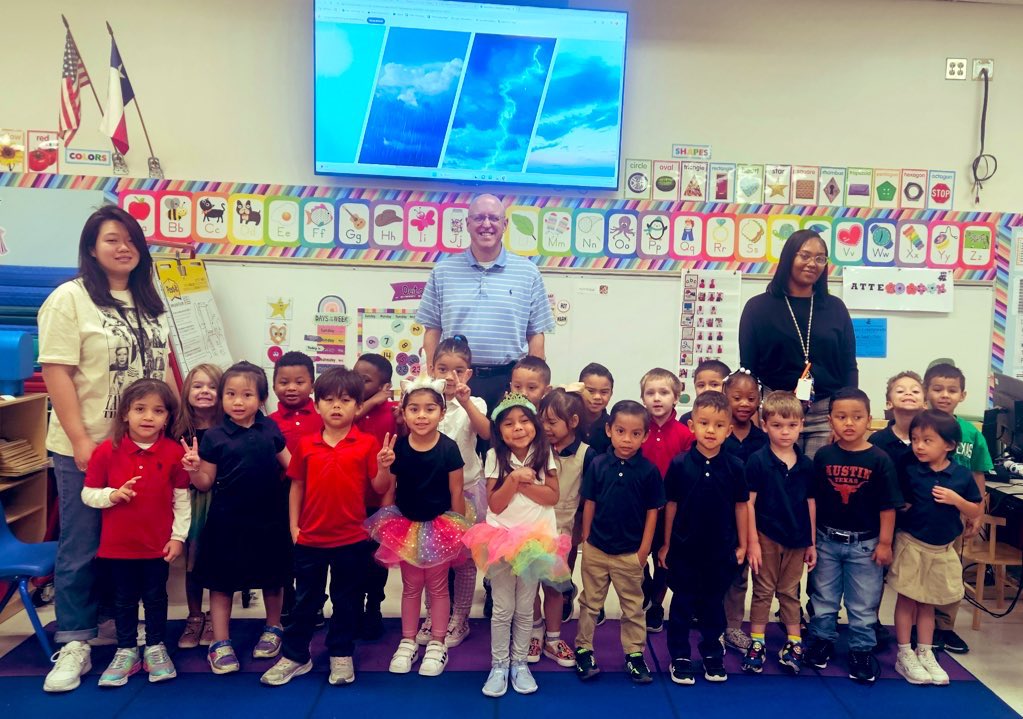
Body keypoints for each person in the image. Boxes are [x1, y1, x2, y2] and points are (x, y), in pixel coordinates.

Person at [39, 205, 172, 693]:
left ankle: (127, 631)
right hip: (91, 447)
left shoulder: (148, 302)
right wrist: (79, 440)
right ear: (91, 248)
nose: (123, 247)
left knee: (137, 541)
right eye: (112, 239)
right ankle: (74, 639)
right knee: (83, 541)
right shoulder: (68, 299)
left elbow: (163, 374)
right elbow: (57, 371)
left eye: (131, 240)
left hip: (147, 447)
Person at [260, 368, 384, 687]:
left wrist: (387, 467)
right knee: (305, 602)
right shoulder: (307, 444)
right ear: (317, 406)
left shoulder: (367, 443)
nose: (336, 406)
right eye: (328, 400)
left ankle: (340, 654)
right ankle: (296, 656)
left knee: (346, 602)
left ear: (358, 406)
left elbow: (380, 486)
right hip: (310, 540)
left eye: (345, 400)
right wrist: (293, 528)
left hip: (352, 539)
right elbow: (296, 487)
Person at [181, 361, 293, 675]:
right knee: (221, 583)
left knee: (273, 578)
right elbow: (204, 482)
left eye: (246, 395)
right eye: (230, 394)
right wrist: (192, 469)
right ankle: (220, 641)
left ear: (261, 399)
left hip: (270, 519)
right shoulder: (214, 436)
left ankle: (274, 628)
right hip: (226, 522)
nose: (238, 401)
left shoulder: (270, 428)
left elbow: (292, 466)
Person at [80, 379, 189, 687]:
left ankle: (156, 647)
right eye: (140, 409)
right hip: (117, 548)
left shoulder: (172, 453)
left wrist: (178, 537)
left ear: (167, 417)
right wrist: (111, 496)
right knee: (123, 600)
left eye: (157, 411)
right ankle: (126, 650)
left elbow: (182, 500)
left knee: (156, 598)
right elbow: (88, 494)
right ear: (125, 413)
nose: (148, 417)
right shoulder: (106, 451)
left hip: (157, 547)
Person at [462, 394, 569, 697]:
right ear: (499, 430)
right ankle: (499, 664)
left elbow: (552, 497)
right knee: (502, 608)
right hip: (501, 541)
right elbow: (495, 503)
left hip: (536, 542)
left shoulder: (544, 454)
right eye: (508, 423)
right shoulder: (496, 456)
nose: (518, 428)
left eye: (524, 421)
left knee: (525, 607)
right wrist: (513, 480)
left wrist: (525, 483)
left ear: (535, 424)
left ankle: (519, 663)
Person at [364, 374, 468, 678]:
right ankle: (408, 640)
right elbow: (385, 489)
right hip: (405, 526)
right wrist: (384, 466)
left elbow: (456, 492)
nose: (421, 415)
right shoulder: (399, 448)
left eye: (429, 409)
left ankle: (437, 642)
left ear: (442, 412)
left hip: (440, 526)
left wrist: (459, 532)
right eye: (414, 409)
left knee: (437, 587)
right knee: (411, 587)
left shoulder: (449, 448)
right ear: (404, 412)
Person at [417, 193, 555, 414]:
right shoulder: (443, 271)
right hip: (457, 379)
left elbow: (535, 334)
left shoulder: (528, 272)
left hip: (509, 383)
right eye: (479, 218)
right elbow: (432, 330)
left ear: (505, 224)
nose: (487, 224)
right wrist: (434, 378)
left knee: (505, 446)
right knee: (457, 445)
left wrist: (533, 383)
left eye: (494, 218)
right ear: (467, 224)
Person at [803, 388, 902, 683]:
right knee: (824, 597)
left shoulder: (880, 459)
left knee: (863, 602)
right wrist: (812, 540)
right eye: (841, 417)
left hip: (866, 544)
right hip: (827, 540)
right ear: (830, 420)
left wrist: (885, 543)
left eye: (856, 417)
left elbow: (888, 506)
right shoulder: (823, 455)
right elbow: (814, 500)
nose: (849, 423)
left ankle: (861, 649)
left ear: (869, 421)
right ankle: (822, 640)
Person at [739, 229, 857, 458]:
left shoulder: (835, 308)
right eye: (805, 255)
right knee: (778, 482)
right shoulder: (758, 307)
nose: (812, 263)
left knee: (816, 484)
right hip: (775, 410)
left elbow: (849, 366)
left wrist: (843, 416)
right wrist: (755, 412)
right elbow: (748, 368)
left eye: (820, 258)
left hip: (825, 411)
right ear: (788, 258)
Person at [660, 391, 748, 685]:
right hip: (685, 549)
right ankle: (680, 655)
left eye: (719, 425)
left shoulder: (736, 466)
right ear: (692, 425)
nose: (711, 430)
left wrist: (743, 544)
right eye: (704, 423)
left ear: (729, 430)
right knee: (683, 604)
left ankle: (712, 652)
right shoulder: (680, 464)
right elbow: (671, 505)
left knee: (713, 606)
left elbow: (741, 506)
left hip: (720, 551)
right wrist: (667, 543)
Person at [889, 410, 983, 686]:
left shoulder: (961, 475)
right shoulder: (910, 470)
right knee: (907, 598)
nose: (919, 445)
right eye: (915, 439)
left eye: (927, 440)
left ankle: (925, 651)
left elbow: (976, 508)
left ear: (949, 445)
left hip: (941, 548)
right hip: (912, 544)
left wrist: (956, 500)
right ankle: (904, 653)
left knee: (928, 602)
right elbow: (898, 500)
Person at [575, 400, 665, 685]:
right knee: (590, 603)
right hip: (596, 548)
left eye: (635, 433)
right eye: (621, 431)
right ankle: (583, 649)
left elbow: (653, 511)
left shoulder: (649, 471)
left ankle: (635, 655)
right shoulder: (599, 464)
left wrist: (643, 550)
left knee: (633, 607)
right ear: (609, 430)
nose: (627, 439)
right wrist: (586, 538)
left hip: (630, 553)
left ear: (645, 435)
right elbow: (589, 502)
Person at [416, 336, 491, 648]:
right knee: (431, 560)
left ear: (469, 374)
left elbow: (487, 433)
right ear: (431, 369)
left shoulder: (475, 404)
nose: (450, 376)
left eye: (458, 370)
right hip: (430, 494)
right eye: (443, 369)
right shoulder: (426, 403)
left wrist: (465, 402)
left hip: (469, 491)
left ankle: (459, 618)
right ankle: (434, 614)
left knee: (464, 561)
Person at [742, 391, 816, 675]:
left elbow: (811, 503)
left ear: (801, 426)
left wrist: (811, 542)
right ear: (764, 425)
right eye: (777, 425)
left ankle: (793, 642)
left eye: (792, 425)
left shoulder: (807, 465)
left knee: (789, 592)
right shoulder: (757, 461)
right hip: (766, 536)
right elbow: (749, 502)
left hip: (797, 539)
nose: (785, 432)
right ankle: (757, 641)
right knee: (762, 591)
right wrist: (752, 542)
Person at [923, 362, 992, 655]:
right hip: (923, 513)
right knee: (920, 571)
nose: (944, 395)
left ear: (963, 395)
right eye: (937, 389)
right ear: (926, 392)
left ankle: (945, 627)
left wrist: (979, 512)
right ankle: (920, 624)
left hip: (957, 512)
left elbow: (979, 472)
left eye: (952, 390)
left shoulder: (971, 433)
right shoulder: (920, 426)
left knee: (950, 571)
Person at [537, 388, 595, 663]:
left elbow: (589, 496)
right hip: (532, 527)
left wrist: (582, 529)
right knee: (527, 585)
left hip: (563, 530)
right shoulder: (536, 448)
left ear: (572, 422)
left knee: (554, 586)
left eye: (552, 422)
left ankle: (553, 638)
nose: (545, 427)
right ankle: (534, 633)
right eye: (543, 421)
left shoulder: (587, 454)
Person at [638, 368, 693, 634]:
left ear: (676, 397)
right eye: (650, 393)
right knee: (635, 557)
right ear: (642, 398)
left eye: (664, 392)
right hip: (638, 508)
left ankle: (657, 604)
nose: (657, 398)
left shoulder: (685, 434)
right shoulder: (637, 430)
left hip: (671, 510)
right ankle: (645, 587)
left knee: (664, 559)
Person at [173, 363, 223, 650]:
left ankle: (217, 619)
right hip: (188, 500)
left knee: (215, 559)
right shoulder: (177, 427)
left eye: (212, 386)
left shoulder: (227, 427)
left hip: (220, 499)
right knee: (192, 562)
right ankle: (194, 616)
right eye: (198, 385)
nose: (205, 391)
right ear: (186, 391)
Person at [353, 352, 398, 638]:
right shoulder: (349, 407)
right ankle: (354, 608)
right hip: (350, 498)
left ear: (385, 385)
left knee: (377, 558)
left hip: (382, 496)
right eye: (355, 374)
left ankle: (374, 607)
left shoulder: (393, 412)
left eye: (365, 379)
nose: (357, 381)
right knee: (353, 558)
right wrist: (370, 401)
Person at [721, 369, 767, 652]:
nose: (744, 403)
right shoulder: (717, 432)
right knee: (714, 572)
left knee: (739, 576)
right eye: (736, 397)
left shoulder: (762, 440)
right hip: (716, 515)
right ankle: (711, 624)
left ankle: (733, 626)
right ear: (725, 397)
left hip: (749, 517)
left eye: (751, 398)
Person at [868, 371, 927, 475]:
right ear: (889, 404)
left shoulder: (932, 439)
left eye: (915, 391)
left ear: (925, 404)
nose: (908, 393)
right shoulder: (877, 440)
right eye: (900, 391)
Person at [270, 351, 323, 455]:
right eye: (284, 383)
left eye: (299, 382)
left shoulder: (325, 417)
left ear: (312, 387)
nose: (291, 388)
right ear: (274, 388)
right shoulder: (269, 423)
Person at [579, 363, 615, 457]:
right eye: (590, 391)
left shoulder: (613, 427)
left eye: (604, 392)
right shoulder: (569, 422)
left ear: (611, 393)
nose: (597, 397)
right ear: (579, 390)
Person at [680, 359, 730, 425]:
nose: (707, 389)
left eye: (714, 385)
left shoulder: (733, 418)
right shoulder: (686, 419)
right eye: (701, 385)